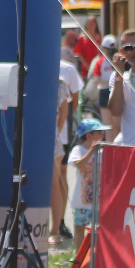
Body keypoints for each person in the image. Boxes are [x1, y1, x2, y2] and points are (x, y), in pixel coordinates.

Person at [51, 59, 84, 245]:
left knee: (59, 179)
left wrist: (59, 130)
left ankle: (57, 226)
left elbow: (72, 106)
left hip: (58, 137)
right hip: (49, 135)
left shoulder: (66, 72)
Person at [68, 119, 110, 252]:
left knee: (99, 230)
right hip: (82, 201)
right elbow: (79, 164)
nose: (103, 136)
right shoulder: (78, 150)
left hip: (99, 202)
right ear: (89, 136)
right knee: (80, 229)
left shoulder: (103, 152)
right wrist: (92, 151)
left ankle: (95, 257)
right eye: (99, 132)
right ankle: (79, 257)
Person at [109, 28, 135, 146]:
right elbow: (116, 111)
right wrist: (119, 74)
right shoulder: (119, 77)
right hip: (132, 146)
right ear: (122, 51)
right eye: (129, 48)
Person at [89, 34, 118, 132]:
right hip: (105, 92)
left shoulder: (120, 61)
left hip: (117, 91)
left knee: (117, 125)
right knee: (109, 126)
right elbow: (97, 80)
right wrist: (112, 83)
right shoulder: (100, 62)